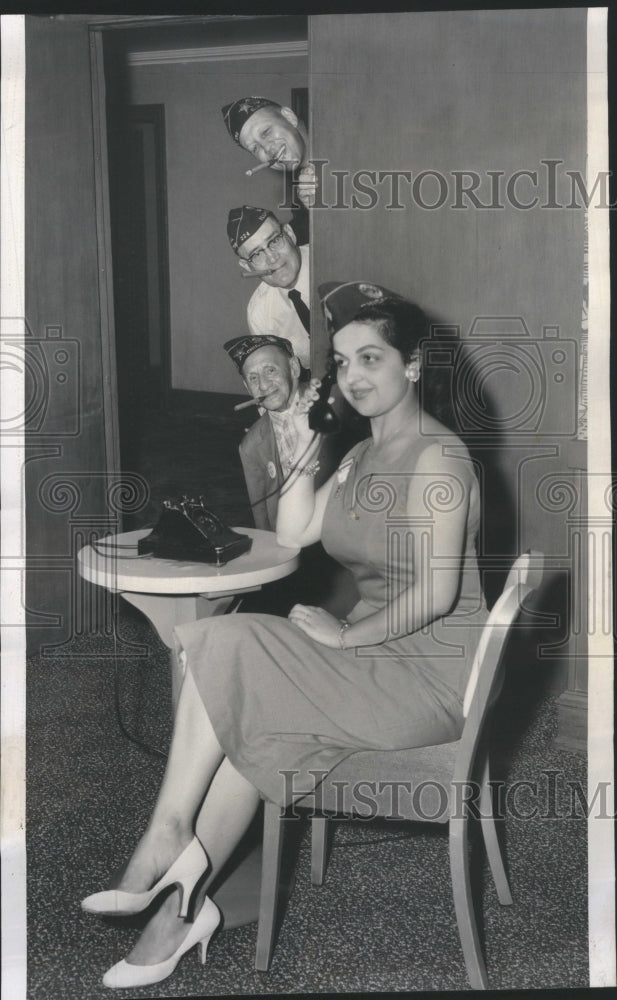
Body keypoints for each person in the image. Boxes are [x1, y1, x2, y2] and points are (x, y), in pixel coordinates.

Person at [81, 281, 489, 989]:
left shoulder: (438, 459)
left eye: (371, 358)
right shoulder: (362, 455)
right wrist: (303, 438)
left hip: (427, 678)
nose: (353, 377)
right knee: (250, 722)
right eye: (341, 362)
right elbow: (295, 529)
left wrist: (339, 640)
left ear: (413, 365)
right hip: (379, 658)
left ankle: (167, 837)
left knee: (231, 643)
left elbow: (436, 592)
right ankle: (178, 917)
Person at [223, 333, 310, 531]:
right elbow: (262, 522)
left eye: (270, 370)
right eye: (253, 378)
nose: (263, 385)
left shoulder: (332, 407)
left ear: (294, 368)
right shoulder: (250, 446)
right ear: (246, 387)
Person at [222, 97, 315, 244]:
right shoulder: (299, 196)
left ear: (289, 117)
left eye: (266, 132)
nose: (267, 149)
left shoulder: (341, 127)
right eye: (255, 148)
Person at [228, 205, 311, 370]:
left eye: (274, 240)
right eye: (257, 254)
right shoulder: (260, 313)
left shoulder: (332, 259)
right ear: (247, 266)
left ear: (290, 234)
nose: (272, 258)